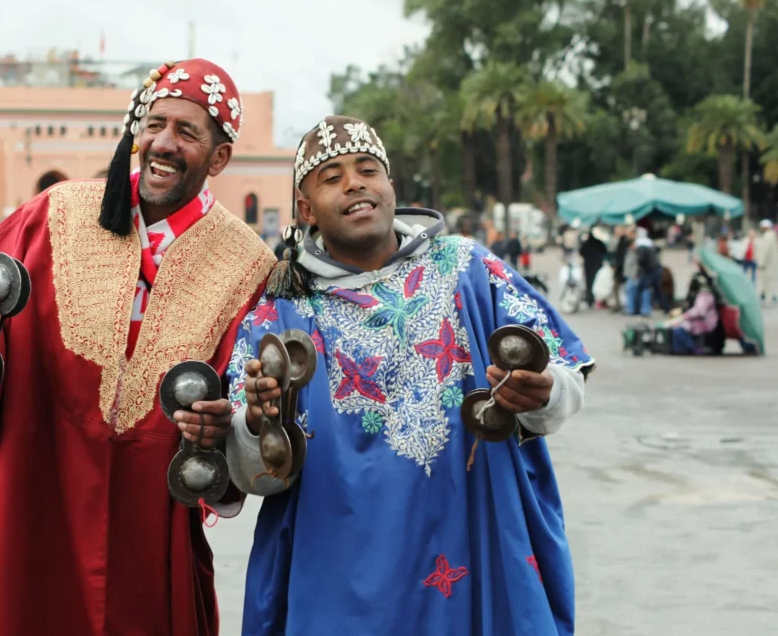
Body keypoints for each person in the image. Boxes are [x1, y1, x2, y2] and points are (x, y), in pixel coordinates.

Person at [0, 58, 276, 636]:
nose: (163, 143)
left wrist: (229, 424)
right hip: (34, 494)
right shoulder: (55, 213)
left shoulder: (247, 265)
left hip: (152, 520)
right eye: (156, 124)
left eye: (187, 132)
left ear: (220, 158)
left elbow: (243, 406)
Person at [224, 116, 594, 635]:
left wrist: (544, 391)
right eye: (330, 177)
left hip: (471, 541)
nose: (354, 183)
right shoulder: (278, 311)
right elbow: (247, 470)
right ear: (305, 209)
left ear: (391, 186)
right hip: (338, 570)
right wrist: (258, 426)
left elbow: (563, 373)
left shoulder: (470, 269)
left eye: (368, 169)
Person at [663, 272, 718, 355]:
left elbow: (699, 311)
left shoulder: (705, 295)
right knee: (675, 326)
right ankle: (678, 349)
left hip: (704, 322)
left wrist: (685, 316)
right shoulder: (697, 294)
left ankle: (692, 348)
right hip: (697, 320)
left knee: (679, 329)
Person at [579, 228, 608, 308]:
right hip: (597, 265)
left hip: (588, 266)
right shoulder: (598, 242)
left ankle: (590, 299)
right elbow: (604, 251)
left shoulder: (586, 243)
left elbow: (581, 252)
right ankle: (597, 300)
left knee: (589, 283)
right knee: (598, 282)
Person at [757, 219, 777, 305]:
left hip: (767, 265)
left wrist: (761, 263)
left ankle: (768, 299)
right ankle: (769, 297)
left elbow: (765, 251)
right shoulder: (770, 235)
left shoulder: (768, 236)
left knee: (767, 281)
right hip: (770, 264)